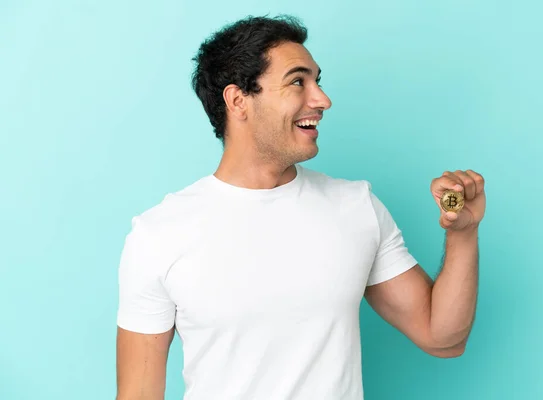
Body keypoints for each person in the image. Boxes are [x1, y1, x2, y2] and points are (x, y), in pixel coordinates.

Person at [115, 14, 486, 400]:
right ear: (238, 100)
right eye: (297, 81)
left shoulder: (356, 207)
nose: (322, 100)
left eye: (317, 80)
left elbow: (443, 339)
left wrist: (463, 235)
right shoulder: (159, 234)